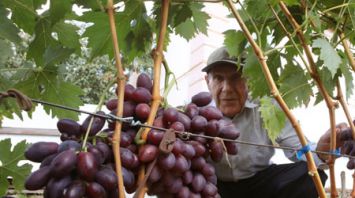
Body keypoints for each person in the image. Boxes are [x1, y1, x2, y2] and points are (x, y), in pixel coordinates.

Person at [202, 46, 350, 198]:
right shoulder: (197, 114)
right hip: (214, 186)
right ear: (207, 81)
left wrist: (321, 151)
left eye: (236, 78)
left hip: (260, 184)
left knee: (310, 175)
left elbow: (298, 151)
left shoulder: (268, 107)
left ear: (249, 79)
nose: (227, 89)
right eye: (219, 78)